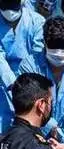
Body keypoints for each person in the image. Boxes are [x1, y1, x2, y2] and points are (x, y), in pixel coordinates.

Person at [18, 16, 64, 137]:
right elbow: (28, 105)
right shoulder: (29, 66)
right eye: (54, 49)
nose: (58, 55)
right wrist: (52, 129)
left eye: (63, 50)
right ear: (44, 42)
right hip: (33, 135)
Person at [0, 0, 44, 131]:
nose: (10, 12)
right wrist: (12, 83)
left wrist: (25, 86)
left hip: (31, 82)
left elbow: (37, 57)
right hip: (3, 83)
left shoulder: (37, 22)